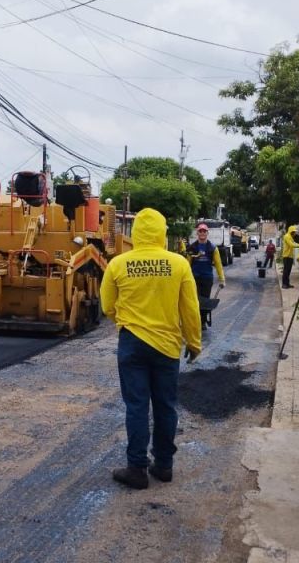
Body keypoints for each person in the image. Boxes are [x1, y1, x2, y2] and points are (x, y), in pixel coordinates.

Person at [101, 208, 202, 490]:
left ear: (135, 233)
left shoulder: (118, 264)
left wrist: (125, 322)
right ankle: (164, 466)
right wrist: (193, 342)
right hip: (167, 347)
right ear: (161, 233)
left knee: (136, 406)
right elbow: (190, 309)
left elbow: (107, 305)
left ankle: (136, 469)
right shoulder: (179, 264)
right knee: (165, 406)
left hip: (132, 343)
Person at [186, 223, 226, 300]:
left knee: (205, 300)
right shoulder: (192, 248)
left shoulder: (213, 248)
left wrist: (222, 279)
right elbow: (187, 264)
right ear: (197, 233)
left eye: (204, 231)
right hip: (194, 278)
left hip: (207, 278)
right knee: (194, 300)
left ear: (207, 233)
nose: (202, 233)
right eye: (200, 231)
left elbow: (218, 264)